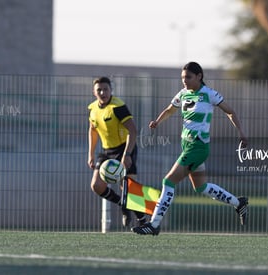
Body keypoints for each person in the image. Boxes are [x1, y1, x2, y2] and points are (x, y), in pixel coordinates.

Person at [131, 62, 248, 235]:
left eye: (188, 77)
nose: (184, 81)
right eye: (182, 78)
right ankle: (239, 203)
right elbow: (170, 109)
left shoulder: (209, 94)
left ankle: (154, 224)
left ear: (199, 76)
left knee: (168, 181)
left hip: (197, 147)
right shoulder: (183, 94)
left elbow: (230, 112)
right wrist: (157, 121)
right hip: (187, 146)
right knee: (201, 187)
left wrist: (241, 133)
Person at [87, 76, 146, 227]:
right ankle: (122, 204)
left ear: (111, 90)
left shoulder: (117, 107)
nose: (102, 92)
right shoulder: (93, 108)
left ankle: (143, 221)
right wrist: (91, 154)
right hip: (107, 151)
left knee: (128, 187)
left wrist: (127, 154)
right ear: (94, 92)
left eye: (105, 89)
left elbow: (133, 130)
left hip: (125, 148)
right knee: (97, 186)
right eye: (99, 90)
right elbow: (92, 130)